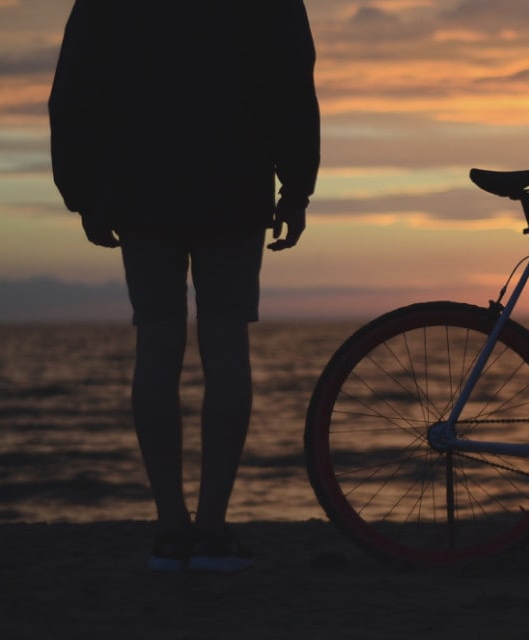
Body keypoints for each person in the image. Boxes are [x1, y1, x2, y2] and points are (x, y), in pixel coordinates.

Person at [48, 1, 321, 572]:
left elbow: (72, 91)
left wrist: (85, 193)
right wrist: (295, 187)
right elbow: (292, 81)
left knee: (157, 348)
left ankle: (172, 529)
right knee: (225, 350)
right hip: (232, 186)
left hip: (140, 189)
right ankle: (212, 529)